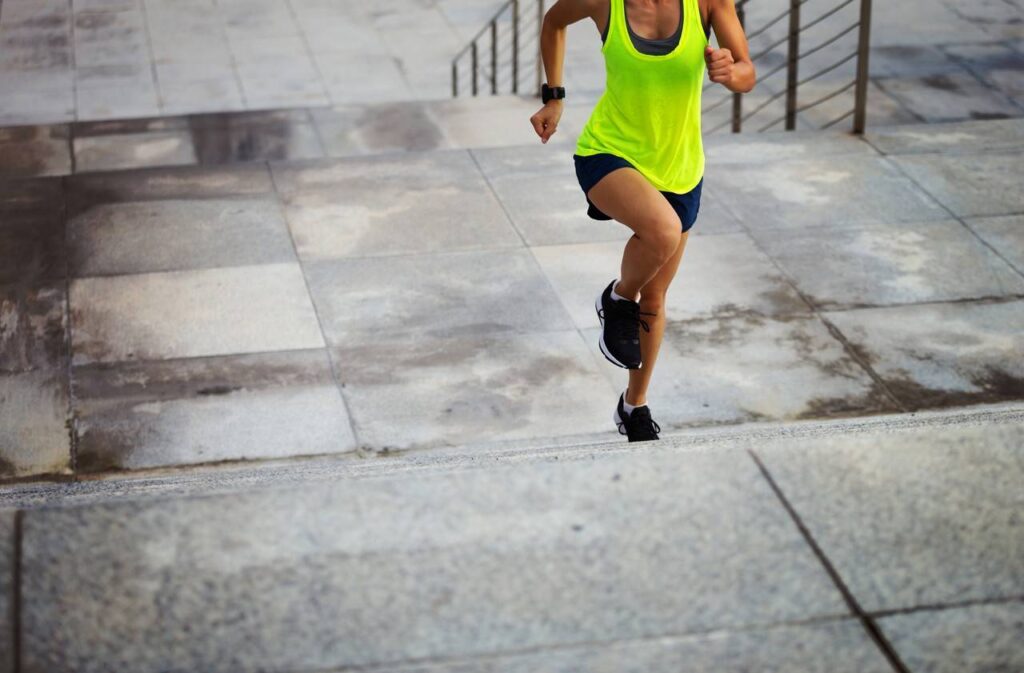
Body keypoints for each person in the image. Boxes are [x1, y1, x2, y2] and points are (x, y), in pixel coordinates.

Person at [530, 0, 755, 441]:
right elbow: (554, 21)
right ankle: (617, 298)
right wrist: (554, 98)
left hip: (681, 169)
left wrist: (732, 72)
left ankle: (634, 405)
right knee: (663, 229)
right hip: (609, 151)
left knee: (653, 301)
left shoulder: (708, 4)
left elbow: (748, 71)